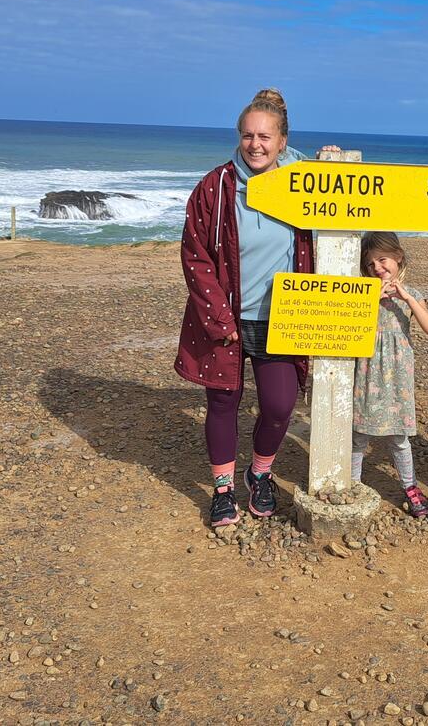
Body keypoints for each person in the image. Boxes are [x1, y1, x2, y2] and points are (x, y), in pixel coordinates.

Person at [175, 88, 313, 527]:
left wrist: (334, 160)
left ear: (283, 141)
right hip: (226, 320)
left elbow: (343, 202)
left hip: (284, 317)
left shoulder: (303, 177)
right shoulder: (216, 187)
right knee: (223, 403)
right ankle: (222, 488)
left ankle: (260, 473)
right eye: (248, 135)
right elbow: (195, 255)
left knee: (278, 405)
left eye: (265, 136)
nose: (256, 144)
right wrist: (219, 317)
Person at [350, 231, 428, 518]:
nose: (377, 268)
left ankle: (410, 486)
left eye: (382, 260)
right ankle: (353, 485)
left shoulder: (410, 294)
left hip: (398, 374)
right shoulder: (363, 295)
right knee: (359, 434)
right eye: (370, 264)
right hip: (367, 370)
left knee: (399, 436)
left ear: (398, 257)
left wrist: (407, 297)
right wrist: (370, 299)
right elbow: (352, 324)